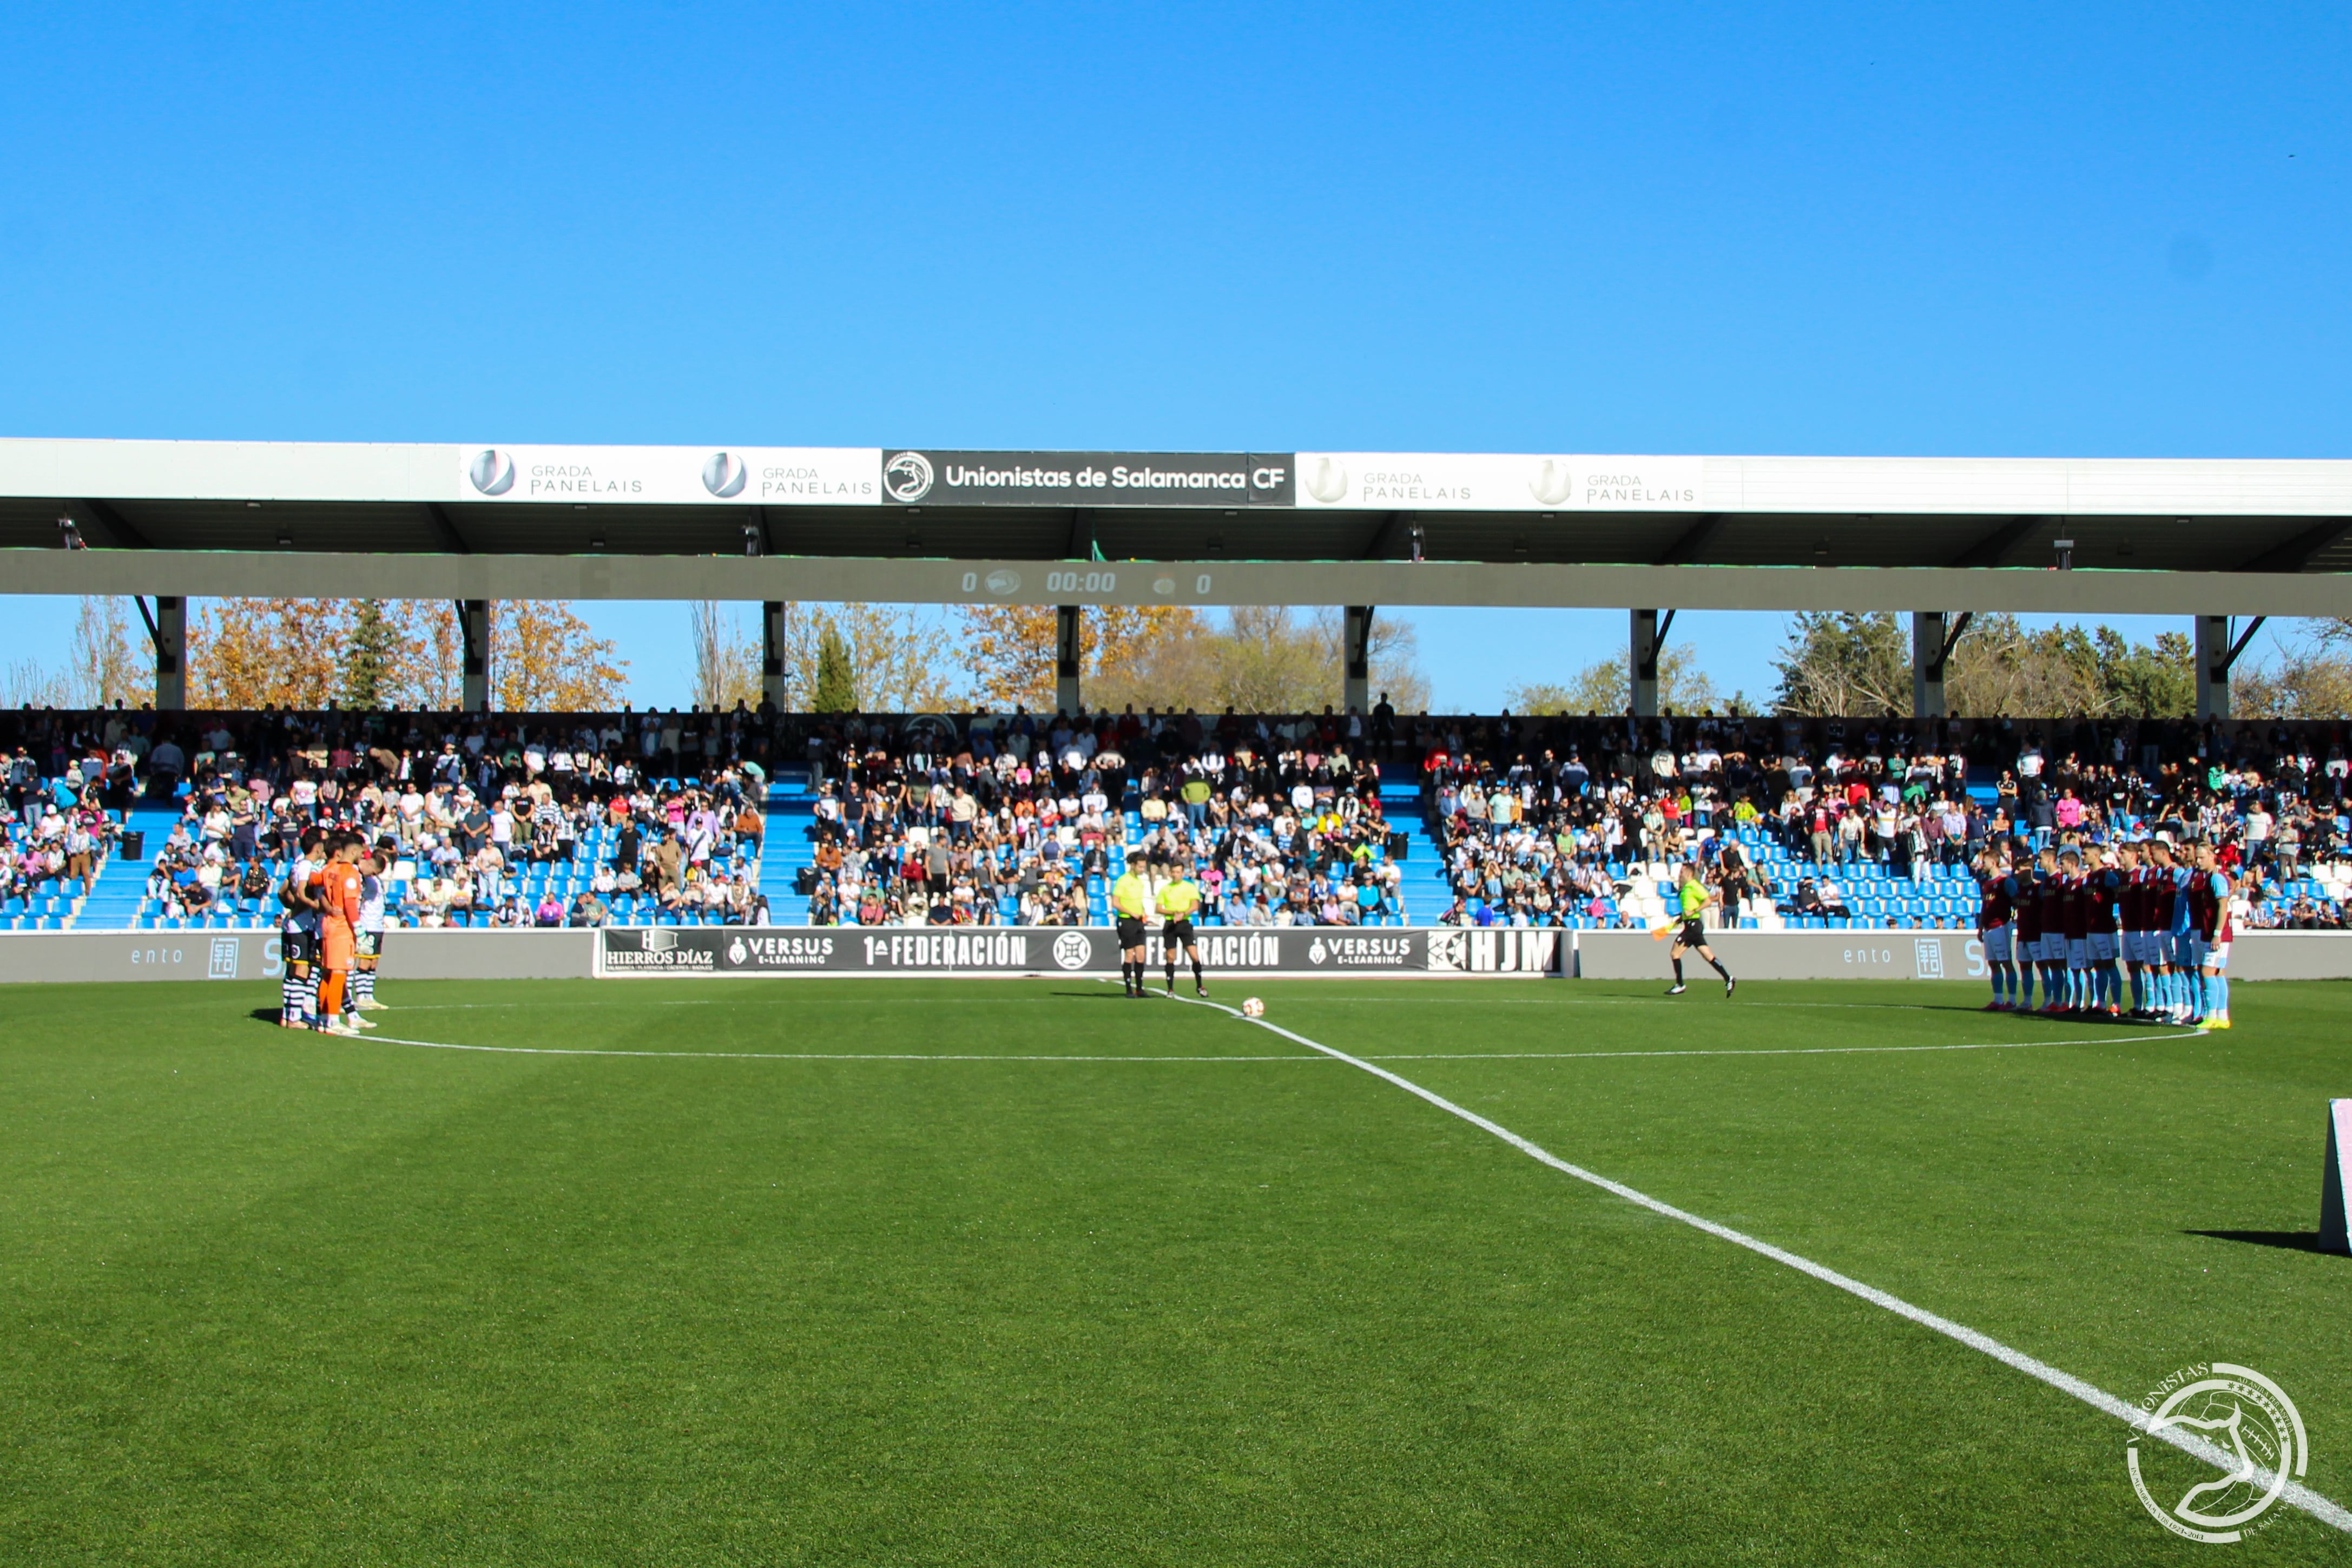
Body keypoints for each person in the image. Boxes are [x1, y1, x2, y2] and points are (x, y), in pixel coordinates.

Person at [1665, 862, 1734, 998]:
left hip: (1693, 926)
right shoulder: (1686, 889)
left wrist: (1694, 911)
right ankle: (1728, 978)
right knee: (1708, 956)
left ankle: (1680, 984)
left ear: (1690, 874)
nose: (1680, 875)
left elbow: (1708, 901)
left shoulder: (1695, 886)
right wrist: (1682, 917)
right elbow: (1689, 908)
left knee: (1675, 954)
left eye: (1682, 872)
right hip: (1690, 924)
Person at [1157, 860, 1207, 997]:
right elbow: (1159, 908)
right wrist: (1174, 913)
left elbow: (1195, 906)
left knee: (1194, 955)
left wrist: (1183, 914)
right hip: (1170, 924)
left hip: (1184, 923)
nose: (1175, 875)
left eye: (1178, 872)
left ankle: (1200, 985)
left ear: (1183, 873)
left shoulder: (1189, 887)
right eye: (1173, 872)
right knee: (1170, 957)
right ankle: (1170, 989)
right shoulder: (1165, 889)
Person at [1974, 848, 2015, 1010]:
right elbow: (1984, 906)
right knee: (1993, 963)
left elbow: (2016, 900)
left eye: (1984, 862)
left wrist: (2011, 919)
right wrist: (1981, 927)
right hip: (1988, 928)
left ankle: (2011, 1000)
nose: (1981, 865)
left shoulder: (2006, 882)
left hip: (2001, 926)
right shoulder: (1985, 883)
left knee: (2006, 963)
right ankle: (1998, 1000)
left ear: (1993, 863)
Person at [352, 845, 390, 1012]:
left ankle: (369, 995)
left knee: (374, 961)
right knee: (365, 960)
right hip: (367, 924)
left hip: (377, 925)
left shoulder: (376, 880)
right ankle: (361, 997)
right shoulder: (364, 878)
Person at [1110, 861, 1151, 998]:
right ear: (1133, 865)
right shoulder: (1123, 881)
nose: (1142, 869)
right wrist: (1130, 913)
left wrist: (1142, 912)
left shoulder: (1139, 882)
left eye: (1143, 867)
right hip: (1127, 921)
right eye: (1140, 867)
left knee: (1141, 955)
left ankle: (1139, 988)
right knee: (1130, 954)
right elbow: (1115, 903)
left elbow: (1137, 901)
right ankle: (1129, 989)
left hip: (1139, 921)